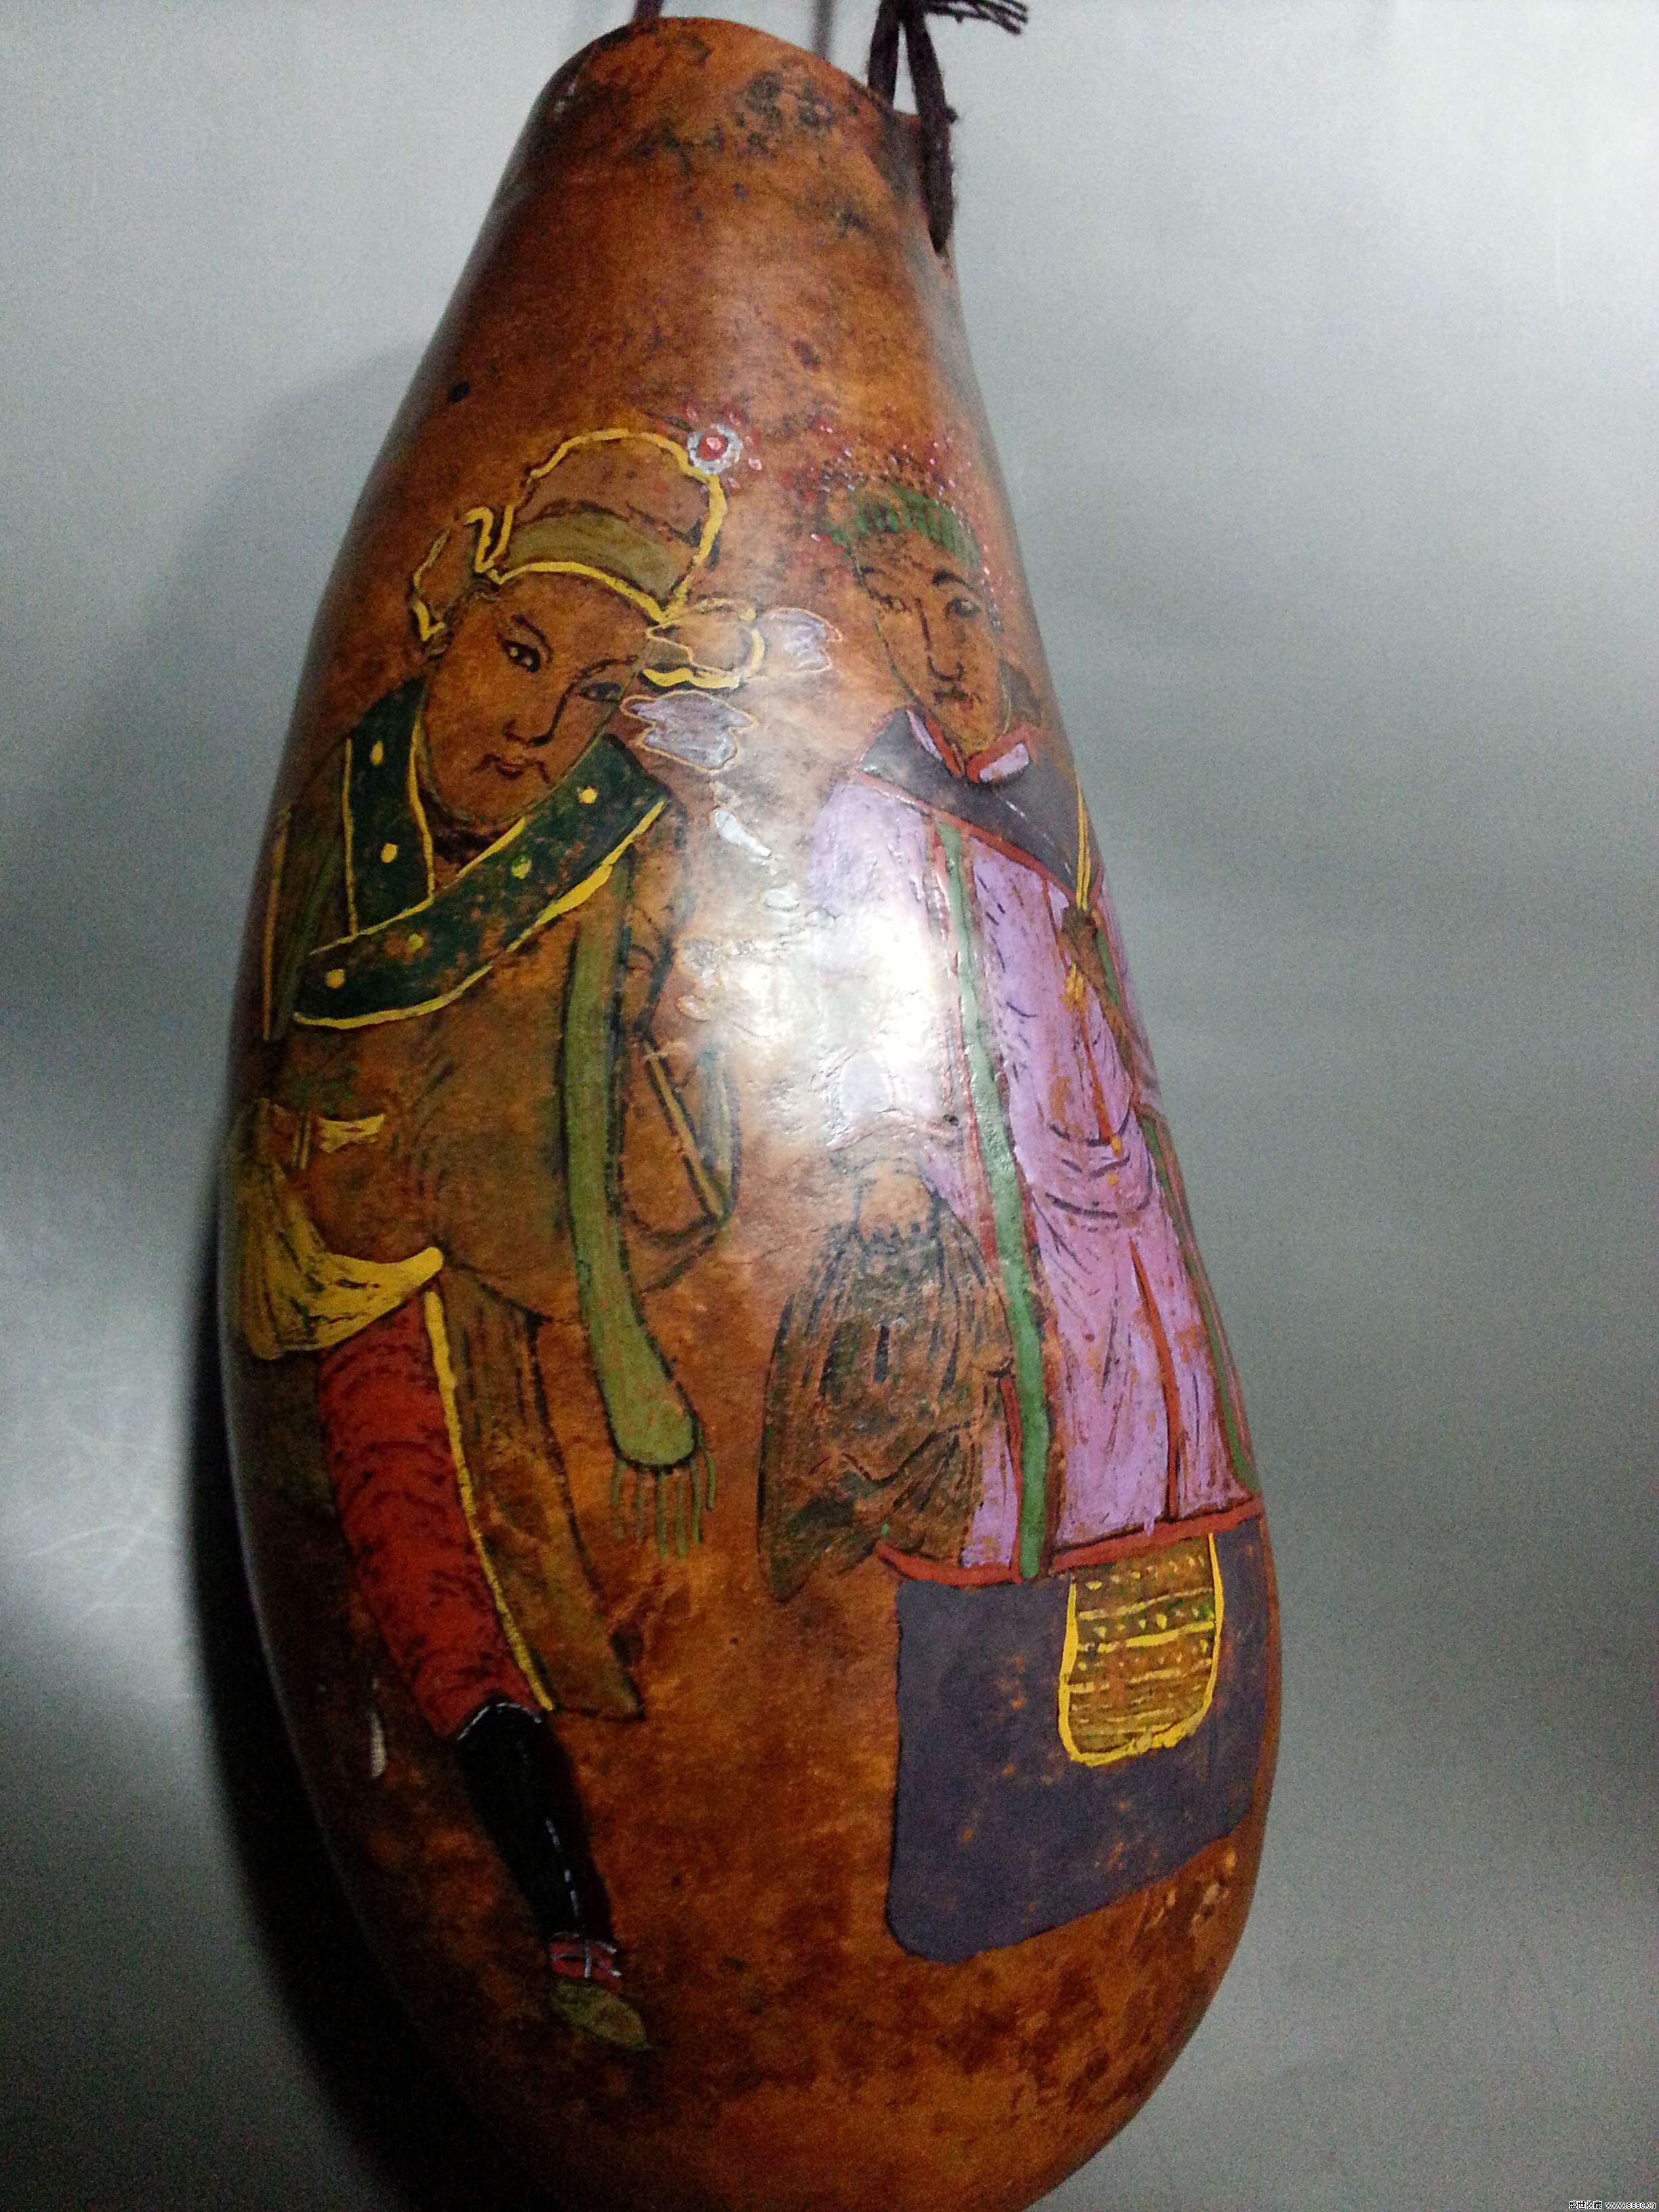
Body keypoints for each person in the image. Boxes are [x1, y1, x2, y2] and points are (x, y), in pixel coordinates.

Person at [230, 424, 752, 2046]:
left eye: (596, 696)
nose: (536, 727)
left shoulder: (628, 846)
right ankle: (568, 1925)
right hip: (319, 1268)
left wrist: (595, 1299)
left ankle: (590, 1922)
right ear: (451, 617)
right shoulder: (358, 781)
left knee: (475, 1590)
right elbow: (285, 1049)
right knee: (413, 1581)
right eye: (518, 653)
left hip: (500, 1303)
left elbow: (667, 1138)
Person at [760, 476, 1267, 1958]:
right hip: (1001, 1228)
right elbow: (856, 1039)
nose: (943, 645)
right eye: (904, 620)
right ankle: (994, 1869)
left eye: (956, 606)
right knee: (1011, 1494)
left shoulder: (1045, 803)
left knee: (1164, 1469)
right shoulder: (872, 814)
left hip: (1120, 1222)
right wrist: (884, 1175)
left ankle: (1156, 1815)